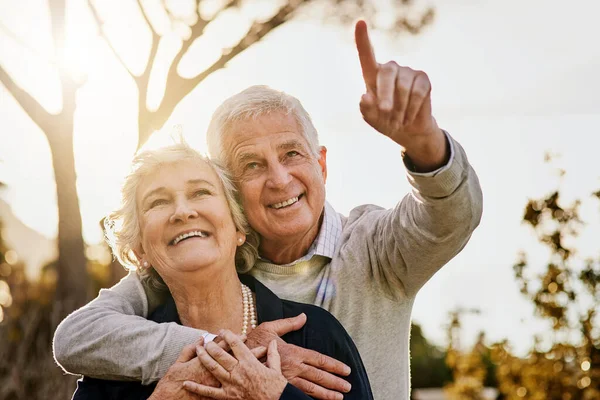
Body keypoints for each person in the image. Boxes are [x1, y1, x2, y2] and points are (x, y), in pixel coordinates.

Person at [53, 21, 483, 399]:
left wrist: (424, 143)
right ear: (229, 194)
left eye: (292, 154)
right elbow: (77, 337)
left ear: (322, 164)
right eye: (252, 165)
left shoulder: (372, 250)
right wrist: (232, 353)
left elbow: (450, 217)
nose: (279, 179)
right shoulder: (200, 260)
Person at [71, 144, 373, 400]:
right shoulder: (112, 365)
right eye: (158, 202)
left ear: (239, 227)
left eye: (200, 192)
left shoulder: (315, 335)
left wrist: (275, 394)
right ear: (139, 250)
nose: (182, 211)